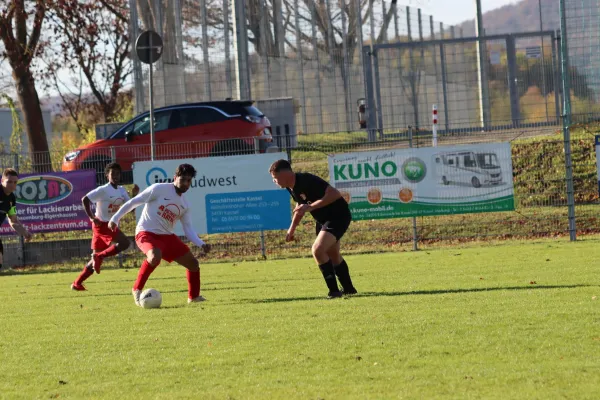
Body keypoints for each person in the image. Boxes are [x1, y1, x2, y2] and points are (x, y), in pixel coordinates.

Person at [108, 163, 211, 306]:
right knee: (154, 256)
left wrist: (201, 243)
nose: (186, 184)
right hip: (146, 233)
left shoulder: (185, 204)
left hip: (167, 237)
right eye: (183, 180)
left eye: (189, 181)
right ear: (175, 177)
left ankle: (193, 297)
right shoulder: (159, 189)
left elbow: (188, 229)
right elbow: (134, 202)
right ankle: (137, 289)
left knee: (193, 264)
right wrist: (115, 217)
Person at [269, 159, 357, 298]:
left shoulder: (307, 179)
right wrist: (291, 229)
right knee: (333, 255)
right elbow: (300, 206)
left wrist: (310, 207)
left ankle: (334, 292)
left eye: (275, 178)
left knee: (318, 250)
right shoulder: (290, 187)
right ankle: (349, 289)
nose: (274, 181)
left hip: (337, 216)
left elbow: (335, 194)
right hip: (323, 219)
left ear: (285, 174)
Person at [71, 163, 139, 290]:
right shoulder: (103, 190)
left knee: (95, 260)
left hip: (110, 225)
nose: (115, 176)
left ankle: (77, 283)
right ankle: (100, 256)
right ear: (107, 175)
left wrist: (134, 195)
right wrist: (92, 217)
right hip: (101, 225)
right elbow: (85, 199)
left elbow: (130, 208)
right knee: (125, 243)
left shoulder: (121, 190)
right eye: (113, 174)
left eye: (118, 174)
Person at [0, 168, 33, 270]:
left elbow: (13, 220)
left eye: (15, 182)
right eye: (9, 182)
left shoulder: (11, 198)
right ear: (2, 181)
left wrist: (24, 232)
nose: (12, 184)